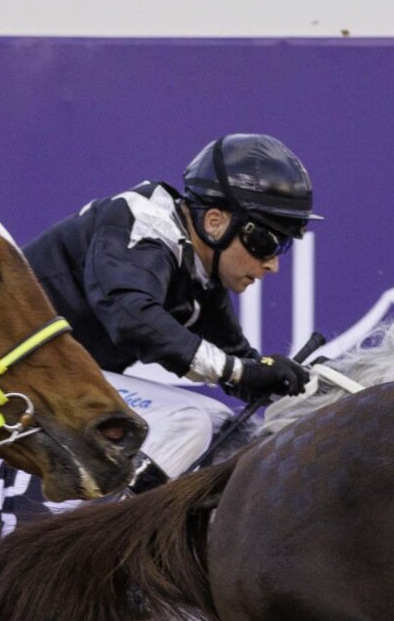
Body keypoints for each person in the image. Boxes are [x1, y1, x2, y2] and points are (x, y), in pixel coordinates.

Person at [27, 134, 319, 487]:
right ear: (215, 222)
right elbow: (132, 319)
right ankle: (100, 523)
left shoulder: (199, 267)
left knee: (218, 421)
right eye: (266, 241)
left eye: (283, 246)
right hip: (21, 381)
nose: (272, 264)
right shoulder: (143, 224)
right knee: (186, 422)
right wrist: (242, 371)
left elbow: (236, 363)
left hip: (64, 380)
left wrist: (302, 385)